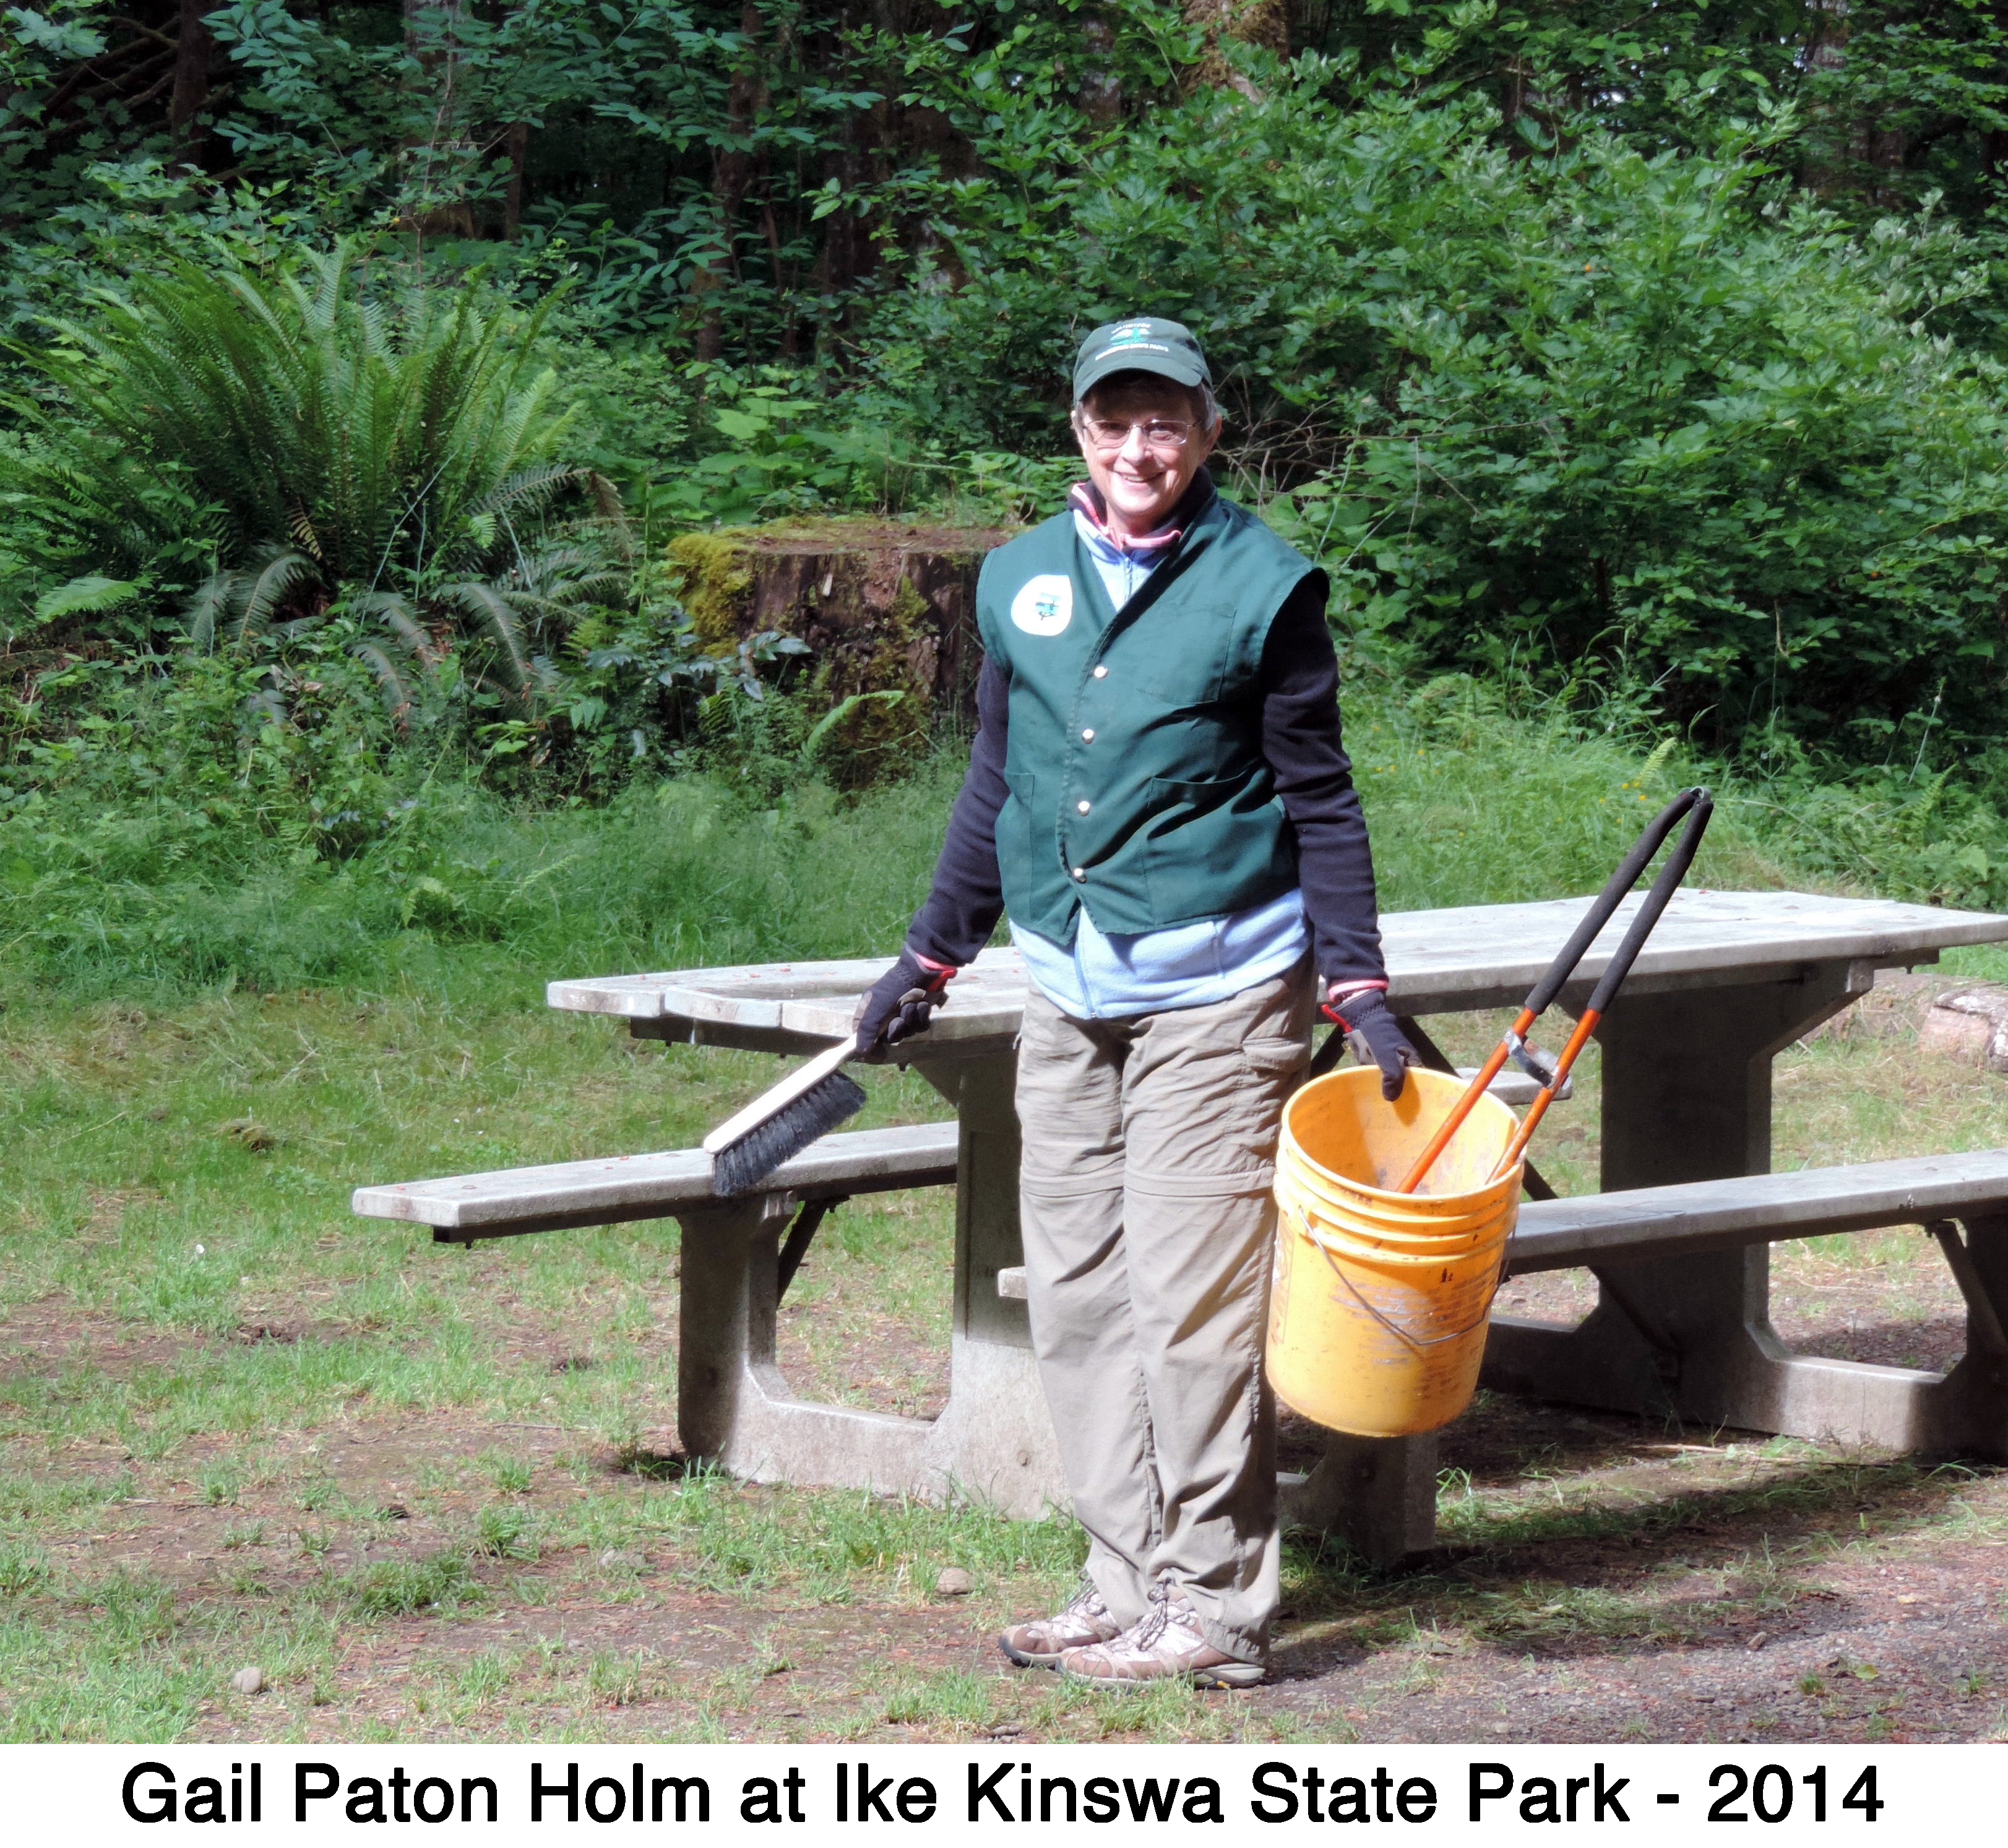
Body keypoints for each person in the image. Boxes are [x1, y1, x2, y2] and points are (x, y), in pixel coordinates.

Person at [854, 317, 1415, 1689]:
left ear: (1209, 434)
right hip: (1067, 984)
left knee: (1191, 1304)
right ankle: (1124, 1577)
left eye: (1166, 422)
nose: (1138, 448)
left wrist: (1358, 979)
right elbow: (999, 779)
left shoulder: (1262, 586)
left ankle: (1217, 1608)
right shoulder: (1023, 581)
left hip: (1220, 991)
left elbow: (1319, 796)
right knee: (1084, 1295)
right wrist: (932, 952)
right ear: (1079, 432)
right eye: (1114, 421)